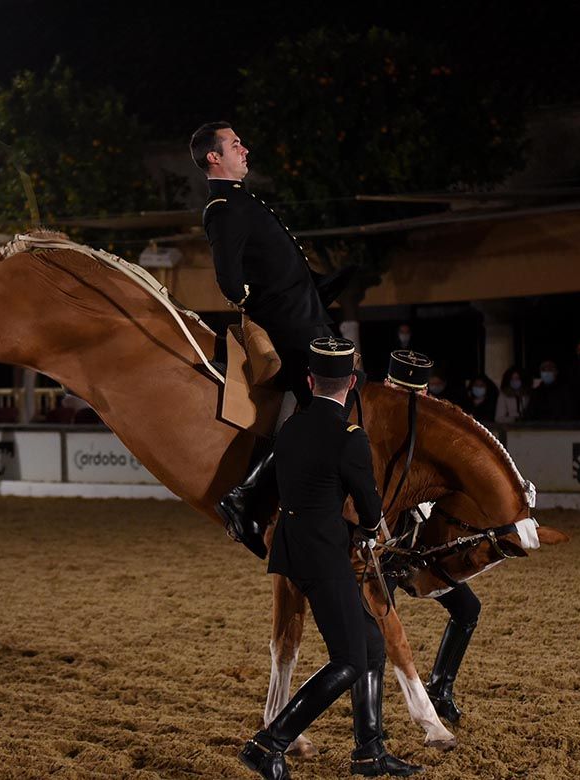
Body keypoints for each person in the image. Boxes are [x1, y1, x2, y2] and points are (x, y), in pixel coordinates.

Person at [239, 338, 421, 779]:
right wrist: (367, 528)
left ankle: (369, 751)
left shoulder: (291, 429)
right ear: (353, 383)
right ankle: (270, 742)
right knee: (349, 660)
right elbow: (371, 507)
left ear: (309, 380)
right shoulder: (350, 439)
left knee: (372, 644)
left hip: (292, 547)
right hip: (325, 555)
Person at [190, 121, 352, 557]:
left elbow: (279, 268)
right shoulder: (223, 206)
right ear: (213, 156)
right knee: (327, 414)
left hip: (307, 319)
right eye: (235, 144)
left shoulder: (241, 200)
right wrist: (259, 306)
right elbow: (231, 278)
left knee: (329, 412)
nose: (245, 149)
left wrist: (326, 285)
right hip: (293, 328)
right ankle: (246, 497)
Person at [383, 352, 482, 726]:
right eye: (402, 389)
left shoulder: (435, 431)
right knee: (374, 637)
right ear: (389, 386)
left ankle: (440, 688)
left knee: (467, 609)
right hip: (378, 551)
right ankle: (369, 727)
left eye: (417, 391)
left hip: (418, 545)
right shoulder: (376, 428)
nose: (411, 398)